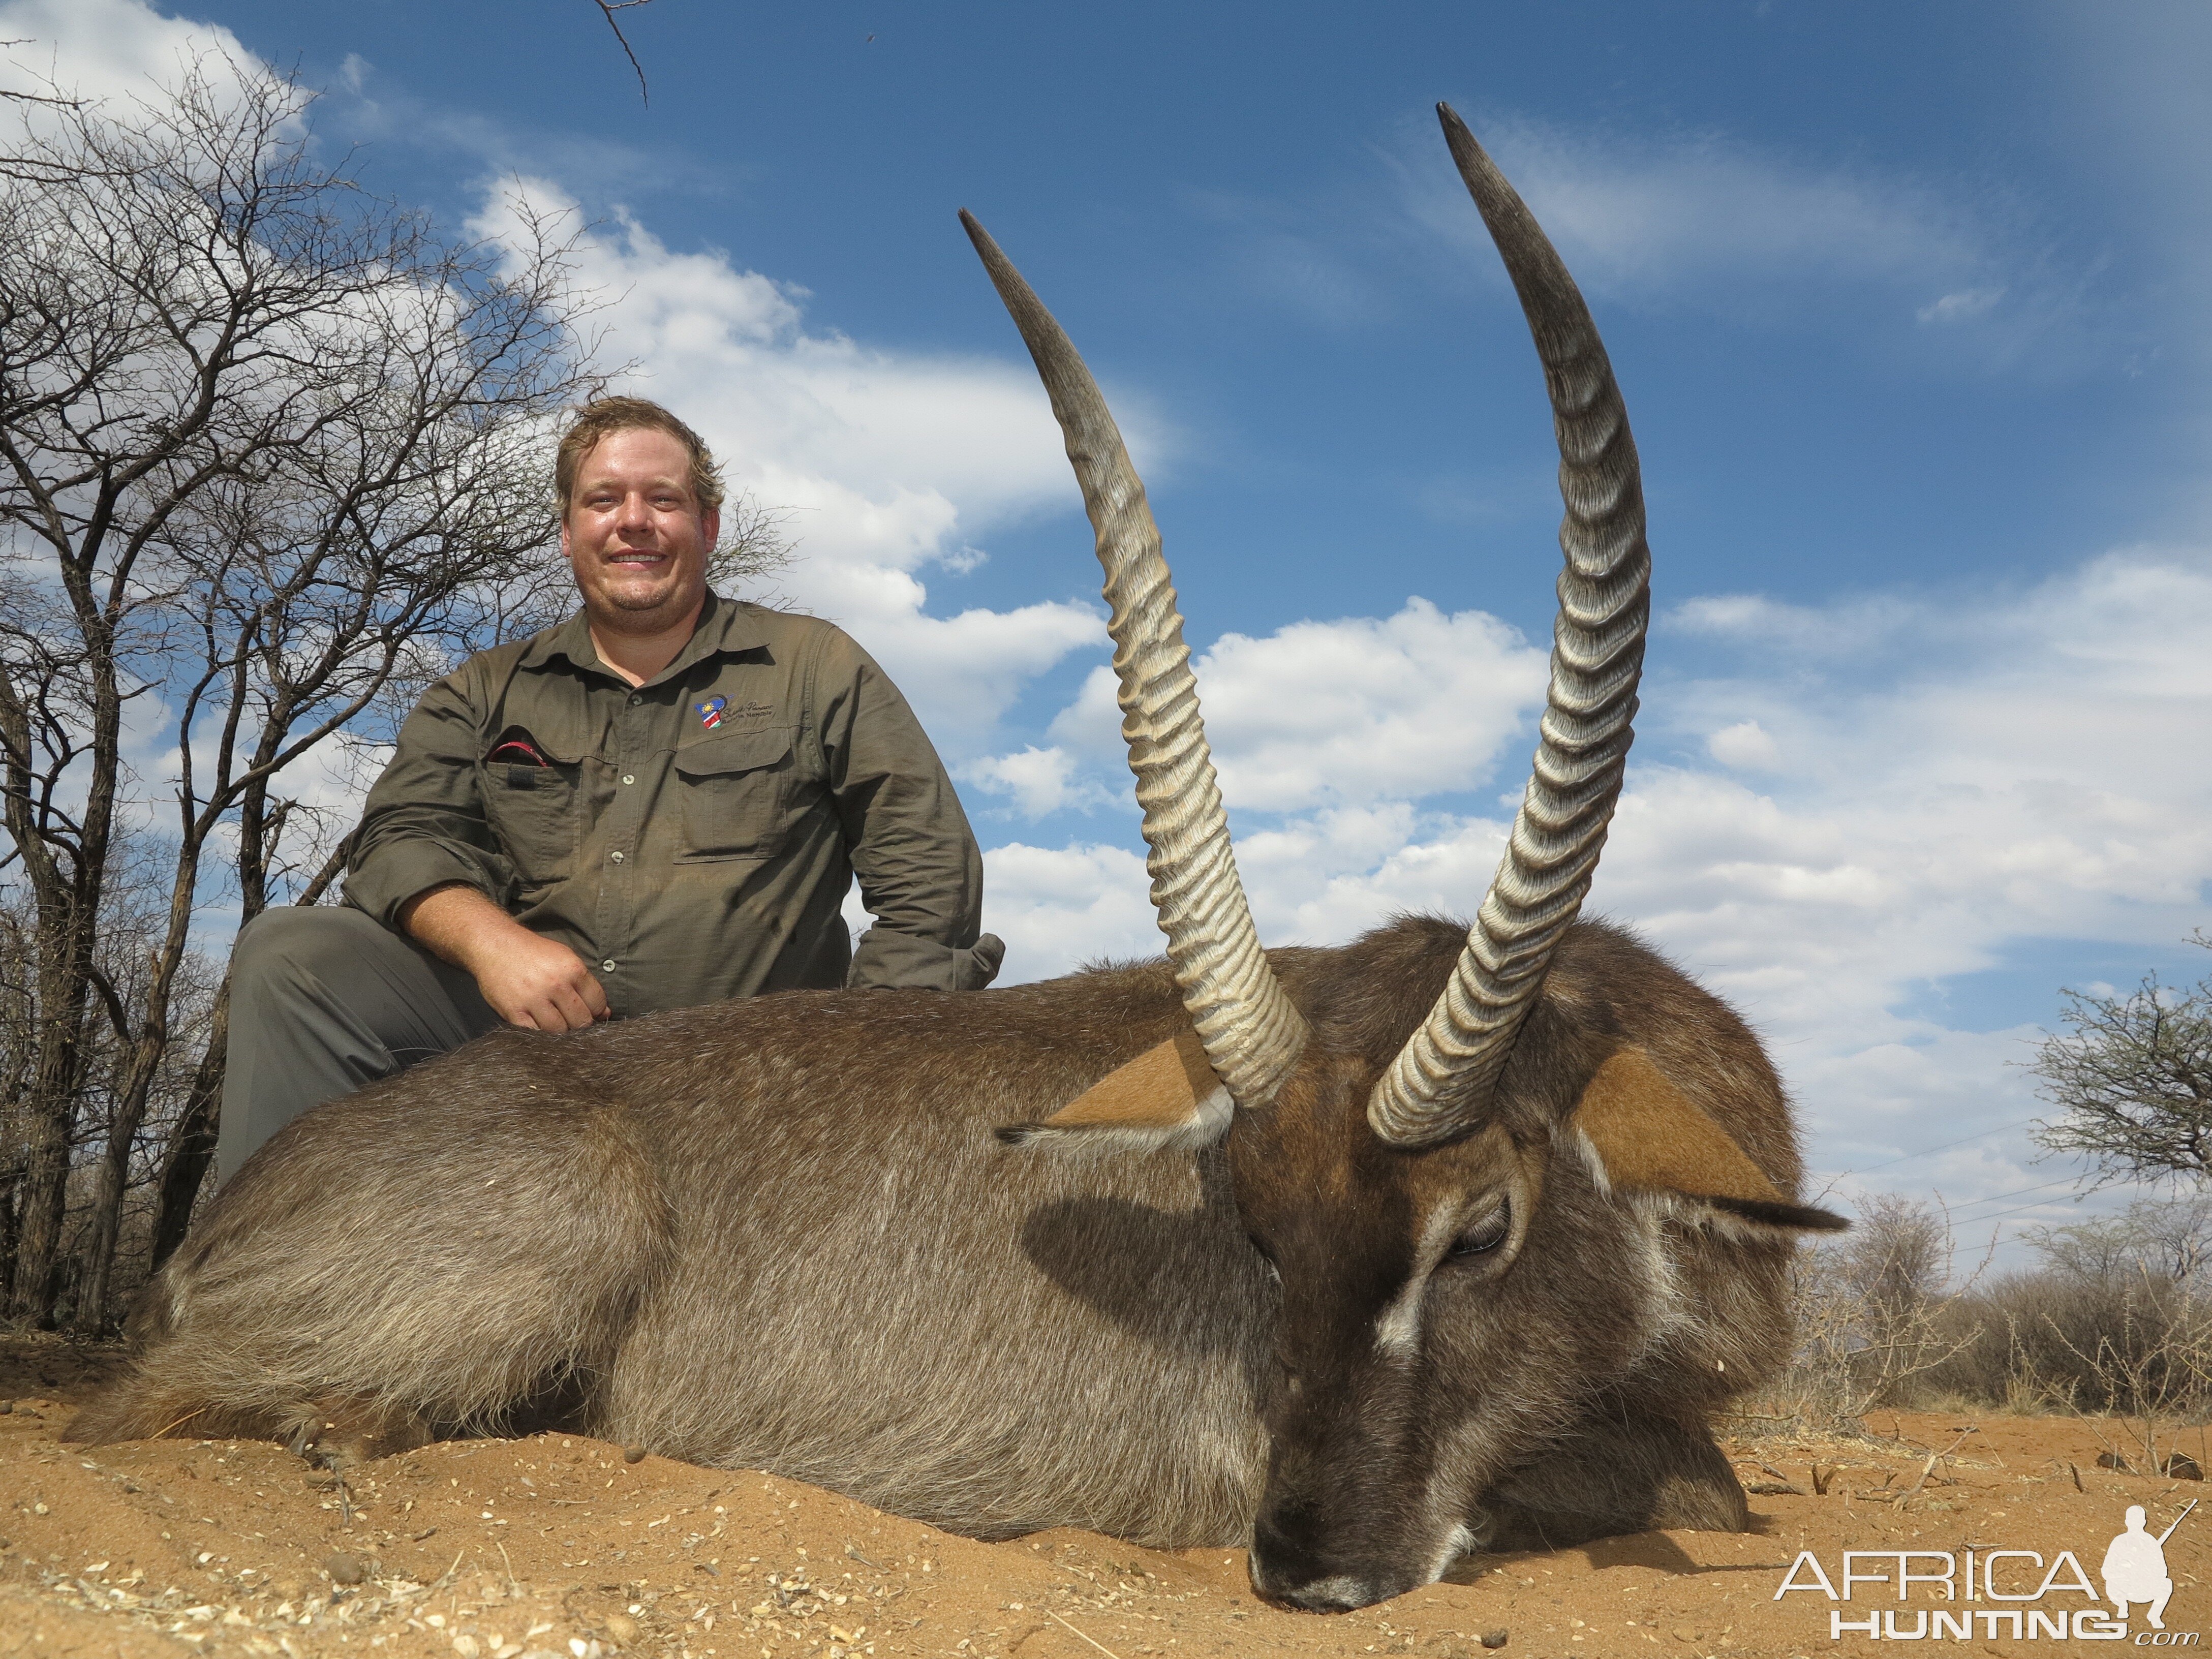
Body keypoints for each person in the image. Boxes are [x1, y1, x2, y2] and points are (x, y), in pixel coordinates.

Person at [214, 397, 1002, 1182]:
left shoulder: (818, 665)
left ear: (708, 527)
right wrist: (498, 948)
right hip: (524, 1051)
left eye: (664, 499)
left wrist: (859, 1059)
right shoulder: (482, 692)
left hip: (751, 1073)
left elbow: (929, 879)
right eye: (604, 500)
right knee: (291, 956)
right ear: (568, 532)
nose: (635, 521)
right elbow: (399, 840)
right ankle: (256, 1289)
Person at [2101, 1503, 2175, 1629]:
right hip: (2123, 1588)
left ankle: (2154, 1615)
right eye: (2132, 1520)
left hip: (2144, 1588)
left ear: (2144, 1522)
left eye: (2138, 1520)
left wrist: (2146, 1571)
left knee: (2167, 1584)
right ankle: (2122, 1605)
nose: (2135, 1523)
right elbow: (2106, 1570)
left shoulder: (2151, 1542)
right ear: (2127, 1522)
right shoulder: (2119, 1541)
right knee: (2111, 1583)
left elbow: (2163, 1571)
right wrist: (2125, 1571)